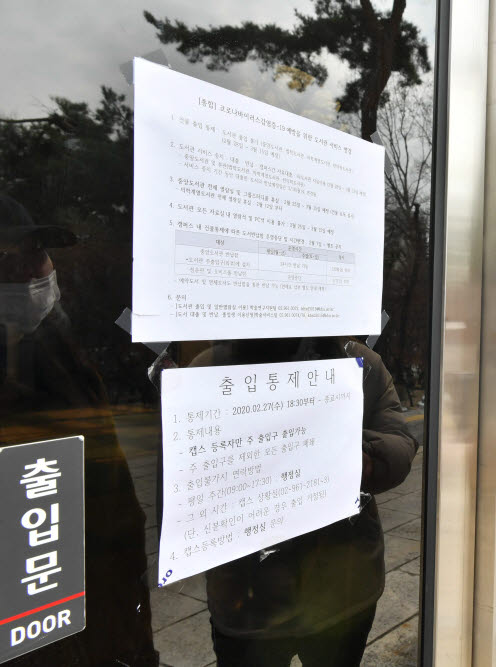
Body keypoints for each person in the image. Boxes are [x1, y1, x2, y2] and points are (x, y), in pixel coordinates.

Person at [188, 336, 418, 667]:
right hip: (249, 599)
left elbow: (399, 441)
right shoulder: (214, 367)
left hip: (344, 588)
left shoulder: (359, 362)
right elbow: (187, 480)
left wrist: (359, 456)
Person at [0, 194, 157, 666]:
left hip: (105, 613)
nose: (31, 271)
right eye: (8, 258)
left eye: (36, 253)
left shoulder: (59, 343)